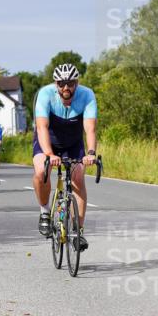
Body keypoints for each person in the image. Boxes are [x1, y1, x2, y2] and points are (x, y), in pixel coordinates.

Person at [32, 63, 98, 251]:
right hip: (48, 142)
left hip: (73, 142)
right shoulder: (45, 94)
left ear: (76, 82)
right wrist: (50, 154)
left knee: (78, 178)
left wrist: (91, 153)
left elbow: (90, 129)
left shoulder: (87, 95)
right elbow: (42, 127)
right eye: (61, 84)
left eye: (70, 83)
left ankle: (77, 231)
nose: (65, 88)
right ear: (56, 83)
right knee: (41, 172)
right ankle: (45, 212)